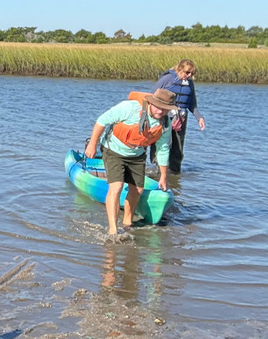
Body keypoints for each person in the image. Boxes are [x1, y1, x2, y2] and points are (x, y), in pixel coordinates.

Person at [85, 88, 179, 241]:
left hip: (136, 154)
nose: (161, 112)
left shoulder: (166, 124)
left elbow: (162, 149)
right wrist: (92, 144)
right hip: (113, 149)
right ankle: (113, 230)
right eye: (158, 107)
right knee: (116, 186)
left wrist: (162, 176)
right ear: (151, 102)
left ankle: (127, 223)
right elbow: (102, 120)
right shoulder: (129, 109)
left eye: (166, 109)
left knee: (138, 189)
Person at [151, 59, 205, 173]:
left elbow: (192, 103)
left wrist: (199, 117)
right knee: (164, 144)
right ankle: (158, 171)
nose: (189, 76)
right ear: (180, 70)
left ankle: (175, 173)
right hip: (165, 116)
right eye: (187, 72)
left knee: (178, 148)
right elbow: (153, 95)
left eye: (191, 74)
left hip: (181, 118)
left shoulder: (189, 83)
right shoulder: (168, 79)